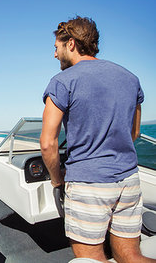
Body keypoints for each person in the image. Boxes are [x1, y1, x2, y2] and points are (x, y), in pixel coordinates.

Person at [40, 16, 153, 262]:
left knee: (90, 258)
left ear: (70, 43)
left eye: (56, 48)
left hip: (88, 184)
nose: (55, 55)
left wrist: (57, 181)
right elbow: (133, 133)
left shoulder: (62, 81)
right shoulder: (130, 78)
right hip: (129, 180)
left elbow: (48, 143)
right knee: (131, 257)